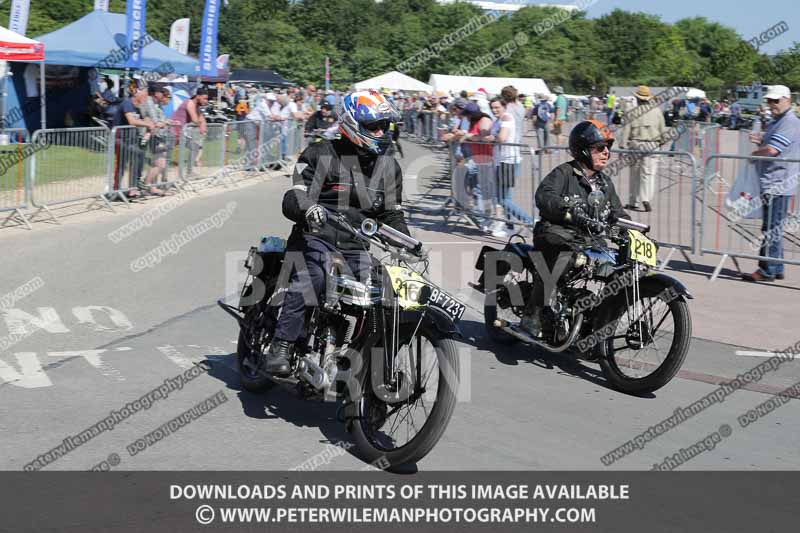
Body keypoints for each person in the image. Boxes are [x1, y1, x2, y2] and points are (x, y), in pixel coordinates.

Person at [262, 90, 413, 374]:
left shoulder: (389, 167)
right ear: (353, 124)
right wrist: (308, 209)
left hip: (356, 248)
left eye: (385, 125)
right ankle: (281, 344)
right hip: (315, 238)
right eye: (373, 126)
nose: (381, 131)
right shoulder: (320, 152)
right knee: (315, 274)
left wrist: (408, 242)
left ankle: (367, 364)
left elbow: (391, 214)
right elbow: (294, 195)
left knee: (388, 292)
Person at [521, 120, 628, 337]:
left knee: (620, 272)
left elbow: (617, 213)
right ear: (583, 150)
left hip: (589, 242)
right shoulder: (564, 173)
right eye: (600, 147)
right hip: (556, 233)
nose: (606, 152)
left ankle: (598, 321)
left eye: (607, 147)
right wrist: (567, 210)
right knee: (565, 258)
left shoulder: (605, 183)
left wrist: (631, 231)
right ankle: (532, 313)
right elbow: (544, 196)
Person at [742, 85, 800, 283]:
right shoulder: (780, 121)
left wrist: (754, 153)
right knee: (773, 227)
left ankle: (767, 269)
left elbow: (773, 150)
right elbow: (774, 146)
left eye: (776, 100)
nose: (772, 104)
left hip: (778, 182)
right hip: (776, 181)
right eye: (770, 100)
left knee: (770, 228)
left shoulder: (788, 122)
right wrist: (761, 141)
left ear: (787, 100)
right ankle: (776, 266)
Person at [486, 97, 532, 237]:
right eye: (492, 108)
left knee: (503, 199)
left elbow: (502, 138)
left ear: (504, 106)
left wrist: (492, 138)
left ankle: (530, 221)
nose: (494, 110)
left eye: (497, 107)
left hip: (508, 161)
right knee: (505, 197)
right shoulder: (498, 119)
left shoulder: (506, 118)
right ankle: (510, 225)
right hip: (501, 161)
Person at [624, 85, 666, 213]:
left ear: (637, 98)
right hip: (652, 145)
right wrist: (661, 143)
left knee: (634, 174)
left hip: (636, 144)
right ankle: (646, 198)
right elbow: (662, 132)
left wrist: (623, 145)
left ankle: (633, 201)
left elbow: (626, 130)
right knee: (648, 174)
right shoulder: (657, 111)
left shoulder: (632, 111)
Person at [112, 84, 155, 198]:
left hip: (131, 139)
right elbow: (131, 120)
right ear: (137, 93)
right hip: (120, 138)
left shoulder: (137, 107)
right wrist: (147, 123)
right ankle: (115, 190)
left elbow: (142, 118)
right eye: (145, 93)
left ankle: (133, 188)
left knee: (137, 161)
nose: (146, 96)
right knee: (121, 165)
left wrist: (148, 122)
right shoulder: (127, 103)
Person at [138, 83, 176, 195]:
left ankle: (149, 186)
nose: (163, 95)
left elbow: (160, 121)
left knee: (158, 163)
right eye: (162, 92)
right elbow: (156, 122)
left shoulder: (155, 103)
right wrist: (165, 122)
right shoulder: (149, 102)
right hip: (152, 136)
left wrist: (168, 122)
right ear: (157, 93)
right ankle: (146, 185)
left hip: (157, 136)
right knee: (160, 164)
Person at [172, 86, 209, 175]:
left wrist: (203, 124)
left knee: (194, 147)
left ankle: (189, 171)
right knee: (165, 156)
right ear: (198, 96)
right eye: (204, 98)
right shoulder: (190, 103)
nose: (206, 101)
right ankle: (161, 180)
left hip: (180, 133)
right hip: (173, 131)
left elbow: (201, 118)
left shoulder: (196, 106)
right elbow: (195, 120)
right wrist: (201, 124)